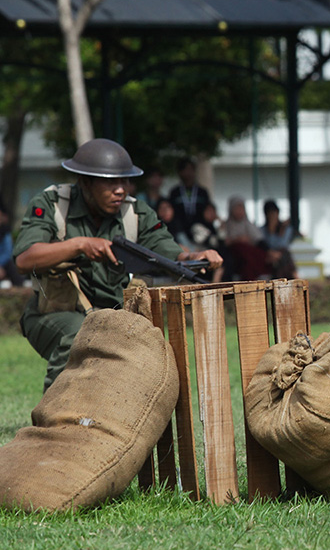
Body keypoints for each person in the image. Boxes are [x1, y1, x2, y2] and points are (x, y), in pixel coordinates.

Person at [13, 138, 223, 391]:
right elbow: (25, 259)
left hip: (113, 317)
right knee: (79, 336)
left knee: (152, 354)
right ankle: (54, 425)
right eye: (111, 182)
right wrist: (80, 245)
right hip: (52, 313)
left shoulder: (135, 213)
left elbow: (169, 252)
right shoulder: (53, 204)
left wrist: (194, 258)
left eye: (125, 181)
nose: (121, 189)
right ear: (86, 182)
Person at [223, 195, 272, 280]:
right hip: (235, 255)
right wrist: (238, 239)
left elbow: (258, 239)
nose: (239, 211)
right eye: (236, 208)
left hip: (249, 252)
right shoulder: (226, 225)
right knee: (242, 249)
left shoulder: (248, 224)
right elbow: (224, 242)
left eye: (241, 208)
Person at [167, 157, 211, 234]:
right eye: (185, 170)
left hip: (200, 229)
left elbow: (208, 211)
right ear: (180, 172)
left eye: (190, 169)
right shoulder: (175, 192)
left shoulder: (202, 192)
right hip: (179, 230)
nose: (188, 173)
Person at [260, 199, 297, 279]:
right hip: (268, 257)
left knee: (283, 254)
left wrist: (278, 231)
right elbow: (266, 245)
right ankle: (293, 275)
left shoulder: (286, 229)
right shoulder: (262, 230)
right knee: (283, 256)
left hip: (280, 256)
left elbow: (283, 244)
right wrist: (271, 231)